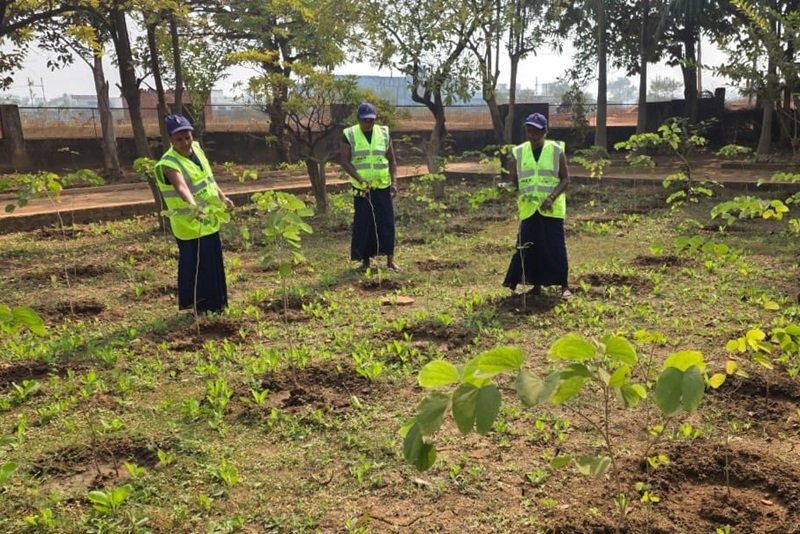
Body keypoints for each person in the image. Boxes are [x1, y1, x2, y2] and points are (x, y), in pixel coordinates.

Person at [154, 114, 235, 314]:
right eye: (179, 139)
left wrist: (223, 198)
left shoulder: (197, 149)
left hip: (209, 219)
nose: (185, 142)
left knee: (213, 263)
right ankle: (201, 308)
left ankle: (218, 305)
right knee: (198, 267)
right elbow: (182, 188)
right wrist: (194, 207)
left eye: (187, 136)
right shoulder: (168, 163)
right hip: (189, 224)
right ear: (170, 140)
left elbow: (208, 178)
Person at [502, 112, 572, 299]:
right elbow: (515, 179)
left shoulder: (556, 150)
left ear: (545, 132)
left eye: (536, 132)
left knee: (556, 247)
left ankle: (564, 286)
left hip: (552, 208)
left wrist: (552, 197)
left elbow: (565, 179)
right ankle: (536, 285)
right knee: (528, 246)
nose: (532, 135)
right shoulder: (520, 151)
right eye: (529, 131)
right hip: (529, 208)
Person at [340, 102, 400, 272]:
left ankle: (390, 261)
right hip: (362, 188)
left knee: (386, 222)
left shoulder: (384, 133)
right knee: (364, 223)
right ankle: (365, 261)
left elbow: (392, 160)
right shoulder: (349, 134)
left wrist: (394, 182)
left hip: (382, 186)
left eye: (371, 120)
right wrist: (360, 179)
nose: (368, 123)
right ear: (358, 119)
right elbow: (344, 161)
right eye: (365, 120)